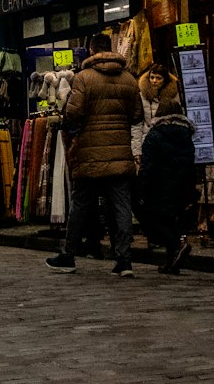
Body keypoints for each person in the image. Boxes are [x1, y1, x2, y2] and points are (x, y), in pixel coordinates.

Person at [45, 32, 143, 276]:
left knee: (80, 205)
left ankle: (69, 255)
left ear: (91, 51)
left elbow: (73, 114)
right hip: (120, 151)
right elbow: (137, 115)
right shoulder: (129, 80)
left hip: (89, 152)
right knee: (121, 206)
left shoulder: (84, 78)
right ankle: (124, 260)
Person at [138, 99, 198, 273]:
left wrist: (142, 188)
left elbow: (147, 167)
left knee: (154, 220)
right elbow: (190, 162)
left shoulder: (154, 135)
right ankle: (172, 263)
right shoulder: (186, 135)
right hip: (181, 185)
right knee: (171, 221)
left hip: (159, 185)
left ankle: (177, 245)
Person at [130, 61, 180, 164]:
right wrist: (136, 151)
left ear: (165, 80)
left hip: (167, 145)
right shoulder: (142, 96)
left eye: (158, 78)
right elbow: (137, 124)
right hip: (146, 143)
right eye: (152, 77)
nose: (154, 81)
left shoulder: (174, 97)